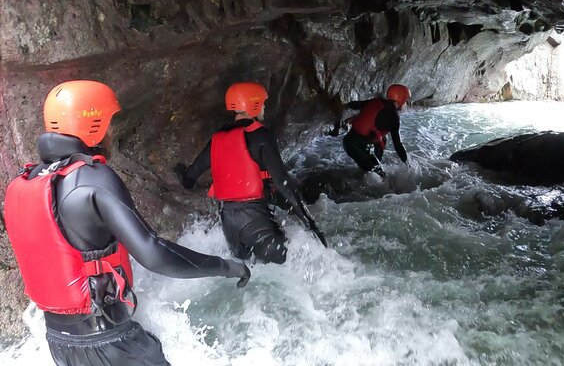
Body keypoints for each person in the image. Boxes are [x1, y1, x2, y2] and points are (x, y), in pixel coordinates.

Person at [3, 80, 251, 366]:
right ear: (93, 125)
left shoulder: (24, 184)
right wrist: (226, 267)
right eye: (108, 122)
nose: (111, 132)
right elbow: (154, 253)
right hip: (109, 342)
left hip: (59, 344)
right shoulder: (92, 178)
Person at [173, 82, 326, 265]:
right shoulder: (262, 136)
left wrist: (183, 174)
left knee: (250, 271)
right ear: (252, 104)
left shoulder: (217, 139)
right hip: (254, 220)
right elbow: (283, 182)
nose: (263, 108)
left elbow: (190, 177)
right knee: (298, 263)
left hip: (229, 223)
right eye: (262, 103)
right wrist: (310, 223)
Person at [341, 84, 411, 177]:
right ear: (401, 99)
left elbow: (354, 105)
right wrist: (407, 163)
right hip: (356, 147)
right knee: (381, 177)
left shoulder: (377, 101)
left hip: (349, 140)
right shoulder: (394, 118)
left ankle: (372, 166)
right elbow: (397, 145)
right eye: (406, 100)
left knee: (382, 139)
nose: (406, 103)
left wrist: (344, 105)